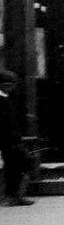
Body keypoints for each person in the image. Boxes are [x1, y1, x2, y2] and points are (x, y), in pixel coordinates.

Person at [0, 70, 32, 206]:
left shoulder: (9, 98)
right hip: (6, 141)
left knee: (19, 165)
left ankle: (16, 195)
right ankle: (10, 196)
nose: (10, 88)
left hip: (14, 140)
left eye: (12, 85)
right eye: (7, 85)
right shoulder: (2, 100)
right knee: (11, 168)